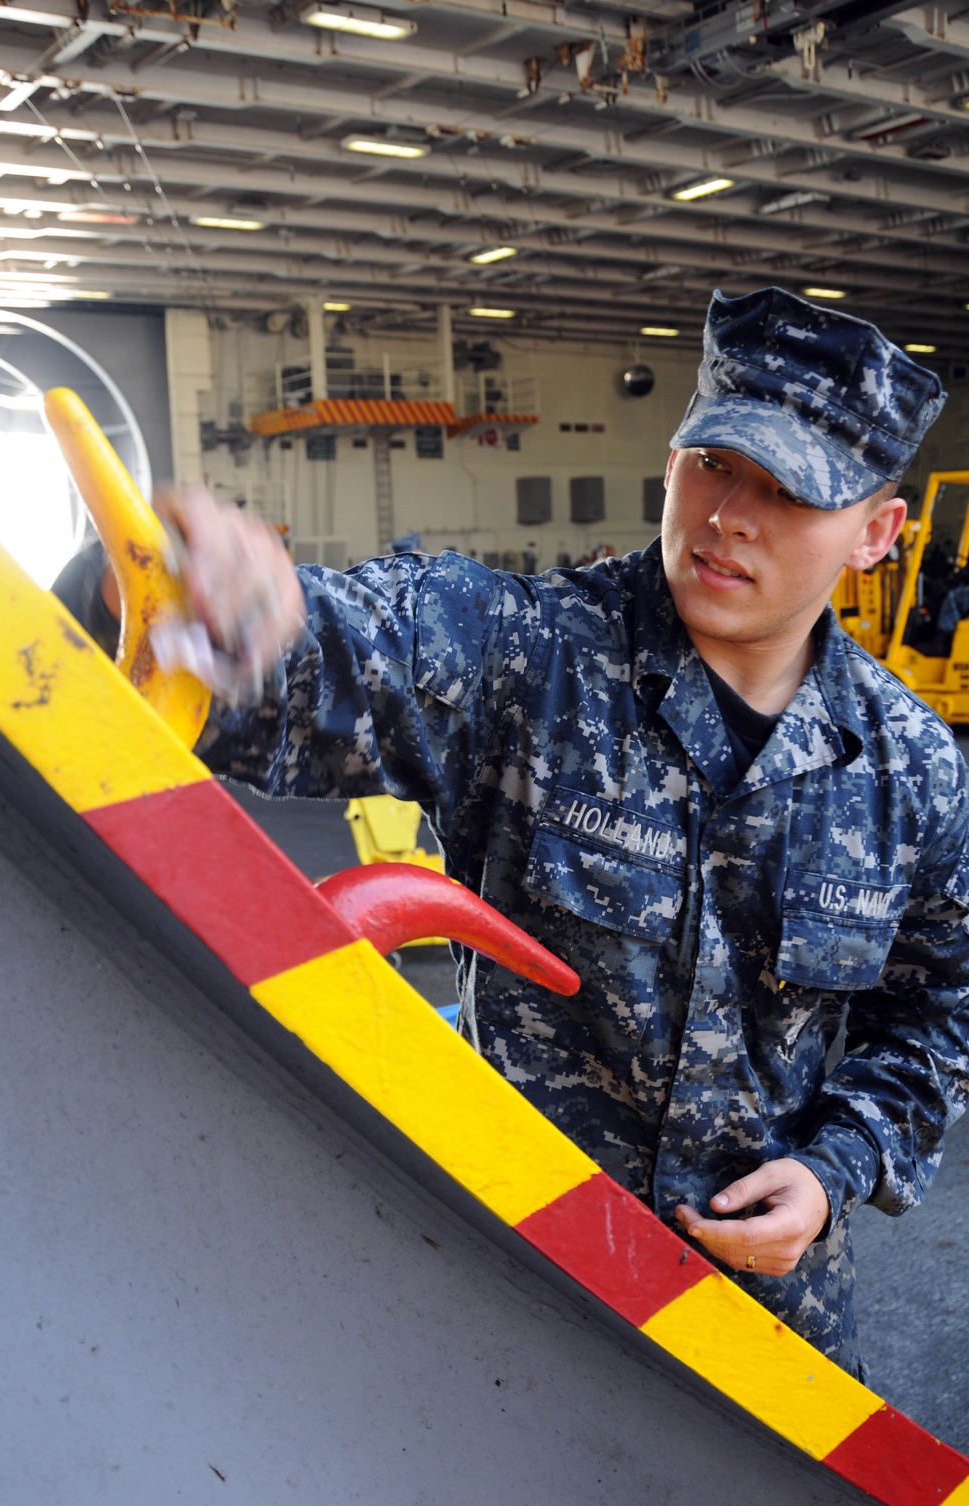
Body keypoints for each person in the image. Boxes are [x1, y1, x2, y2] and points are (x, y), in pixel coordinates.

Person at [57, 287, 969, 1380]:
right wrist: (196, 598)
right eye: (714, 463)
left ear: (876, 533)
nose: (729, 515)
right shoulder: (518, 656)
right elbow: (319, 656)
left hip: (772, 1314)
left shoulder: (907, 766)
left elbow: (940, 1010)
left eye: (788, 493)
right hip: (523, 1279)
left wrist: (835, 1166)